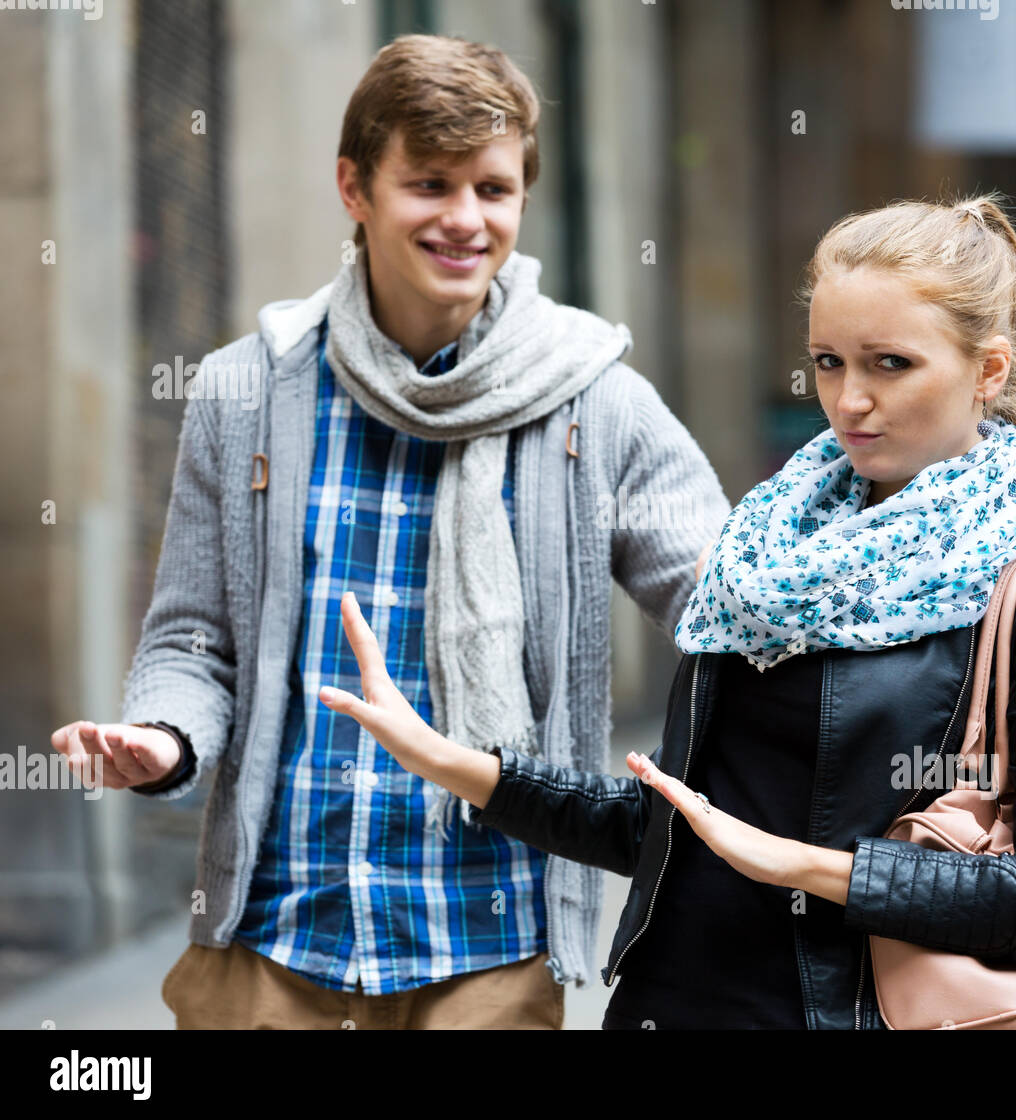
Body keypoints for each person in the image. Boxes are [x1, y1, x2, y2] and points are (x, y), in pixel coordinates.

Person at [319, 194, 1016, 1029]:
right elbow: (685, 828)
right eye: (827, 362)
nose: (849, 399)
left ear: (989, 371)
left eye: (890, 363)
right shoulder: (764, 558)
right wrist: (450, 760)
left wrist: (809, 868)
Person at [48, 34, 730, 1029]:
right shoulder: (245, 392)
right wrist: (164, 737)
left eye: (492, 190)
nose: (463, 219)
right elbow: (191, 639)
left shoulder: (595, 403)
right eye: (428, 183)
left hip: (488, 939)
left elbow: (731, 602)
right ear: (353, 187)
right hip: (276, 939)